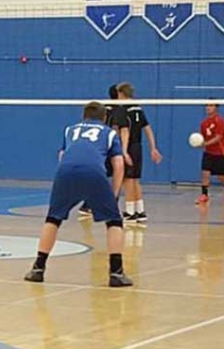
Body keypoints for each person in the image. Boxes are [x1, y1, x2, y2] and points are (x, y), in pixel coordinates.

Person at [25, 101, 132, 287]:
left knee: (53, 218)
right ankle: (116, 272)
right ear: (104, 118)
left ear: (84, 116)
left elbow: (62, 156)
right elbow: (119, 164)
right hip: (94, 172)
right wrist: (114, 194)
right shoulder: (109, 133)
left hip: (65, 171)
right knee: (114, 221)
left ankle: (38, 268)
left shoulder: (70, 130)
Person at [113, 82, 162, 225]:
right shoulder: (138, 108)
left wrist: (123, 151)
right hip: (138, 147)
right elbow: (147, 129)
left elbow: (124, 131)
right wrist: (153, 148)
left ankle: (130, 213)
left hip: (128, 147)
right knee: (135, 180)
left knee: (127, 180)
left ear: (121, 94)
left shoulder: (123, 109)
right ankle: (140, 212)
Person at [79, 83, 122, 220]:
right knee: (108, 174)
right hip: (108, 147)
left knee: (103, 175)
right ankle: (106, 204)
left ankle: (88, 204)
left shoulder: (103, 108)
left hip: (100, 147)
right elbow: (115, 128)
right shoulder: (117, 110)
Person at [196, 103, 224, 205]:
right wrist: (197, 142)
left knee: (221, 176)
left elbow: (218, 137)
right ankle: (204, 195)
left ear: (216, 108)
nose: (208, 108)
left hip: (221, 153)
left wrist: (205, 143)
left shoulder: (220, 121)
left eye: (211, 106)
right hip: (208, 153)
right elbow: (202, 137)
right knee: (205, 173)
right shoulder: (204, 123)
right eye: (207, 106)